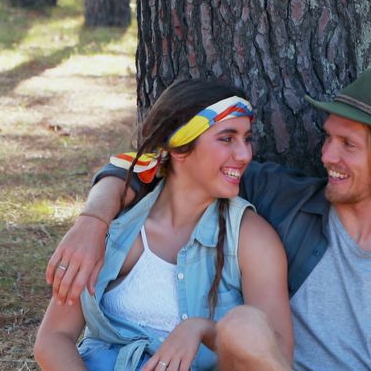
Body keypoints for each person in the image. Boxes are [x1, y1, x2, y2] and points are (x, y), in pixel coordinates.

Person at [48, 68, 371, 370]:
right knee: (243, 326)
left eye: (347, 145)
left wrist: (202, 330)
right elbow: (147, 166)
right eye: (327, 138)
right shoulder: (280, 196)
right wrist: (93, 221)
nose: (326, 156)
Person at [34, 80, 293, 371]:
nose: (245, 154)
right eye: (226, 138)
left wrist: (203, 330)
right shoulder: (118, 228)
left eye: (246, 139)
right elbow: (54, 337)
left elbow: (275, 354)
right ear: (180, 149)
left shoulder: (251, 239)